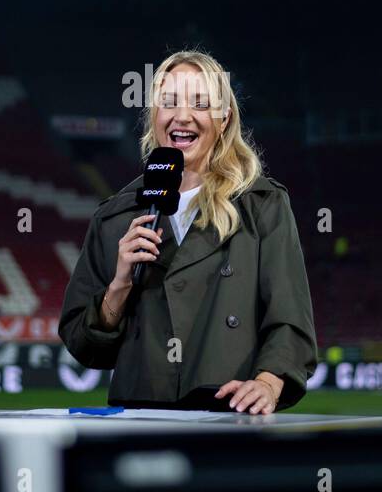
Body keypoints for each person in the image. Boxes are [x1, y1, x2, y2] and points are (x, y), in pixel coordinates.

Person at [59, 50, 317, 414]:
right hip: (139, 423)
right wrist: (118, 287)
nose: (183, 116)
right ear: (154, 116)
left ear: (224, 118)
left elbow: (290, 319)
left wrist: (268, 382)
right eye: (169, 103)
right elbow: (84, 346)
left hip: (229, 419)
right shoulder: (115, 216)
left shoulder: (263, 205)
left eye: (200, 103)